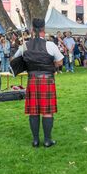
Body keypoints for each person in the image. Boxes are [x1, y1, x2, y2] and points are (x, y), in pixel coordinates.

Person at [14, 18, 64, 147]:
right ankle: (47, 140)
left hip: (32, 80)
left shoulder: (25, 46)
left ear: (31, 30)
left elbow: (15, 60)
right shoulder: (50, 45)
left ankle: (35, 140)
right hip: (47, 80)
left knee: (34, 111)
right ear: (44, 29)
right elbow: (60, 62)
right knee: (47, 111)